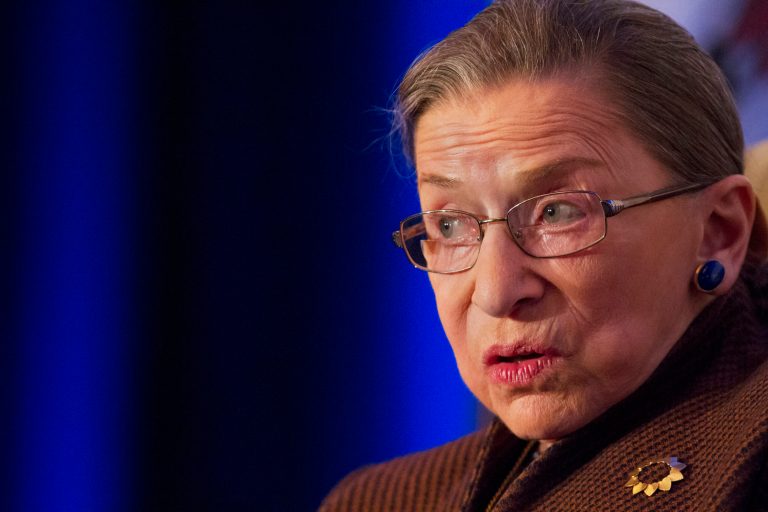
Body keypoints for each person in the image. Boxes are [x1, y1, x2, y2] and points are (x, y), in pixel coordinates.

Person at [320, 0, 768, 510]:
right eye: (450, 224)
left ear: (719, 232)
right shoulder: (375, 501)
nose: (495, 292)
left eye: (557, 212)